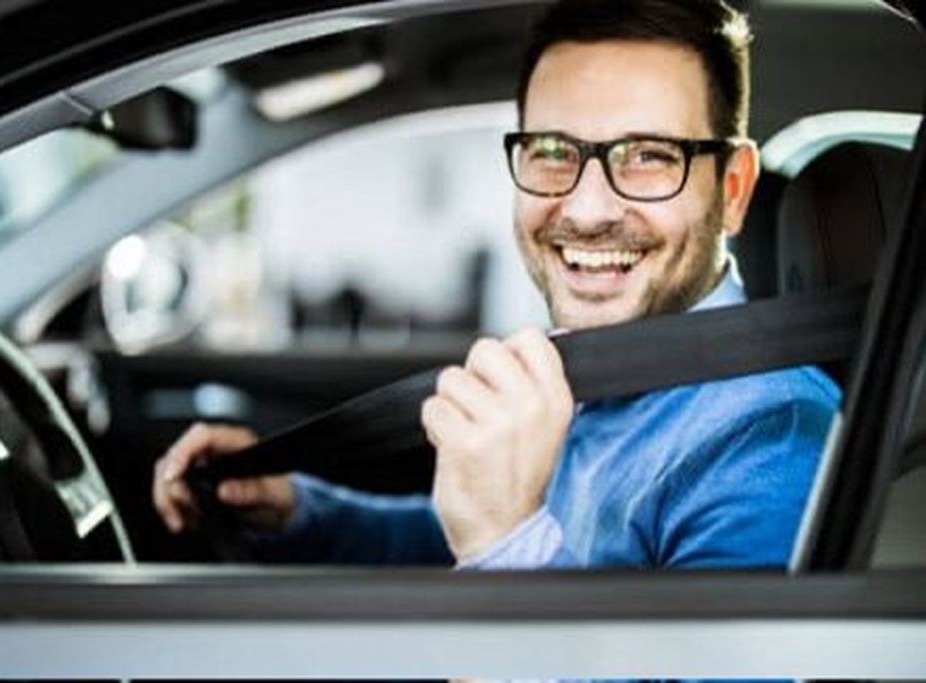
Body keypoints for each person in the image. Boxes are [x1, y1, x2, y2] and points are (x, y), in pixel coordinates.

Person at [152, 0, 840, 569]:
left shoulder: (769, 438)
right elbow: (452, 535)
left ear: (732, 190)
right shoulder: (595, 367)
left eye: (648, 156)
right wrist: (299, 510)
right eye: (552, 151)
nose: (587, 210)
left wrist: (505, 543)